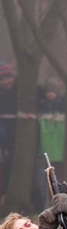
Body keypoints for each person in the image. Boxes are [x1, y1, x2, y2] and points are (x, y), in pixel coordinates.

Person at [34, 78, 67, 208]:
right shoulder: (41, 106)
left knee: (57, 181)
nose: (50, 94)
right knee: (44, 182)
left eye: (53, 91)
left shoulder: (62, 106)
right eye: (48, 91)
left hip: (58, 150)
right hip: (45, 149)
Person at [0, 63, 17, 199]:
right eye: (2, 79)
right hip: (4, 137)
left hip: (17, 135)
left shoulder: (20, 92)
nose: (6, 81)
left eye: (8, 77)